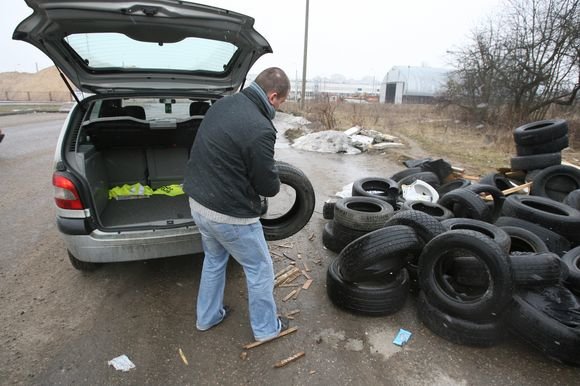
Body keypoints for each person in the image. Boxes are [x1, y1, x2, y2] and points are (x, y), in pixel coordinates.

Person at [183, 67, 291, 342]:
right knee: (260, 269)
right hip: (229, 216)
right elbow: (268, 186)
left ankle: (207, 318)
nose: (279, 107)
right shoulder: (260, 128)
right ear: (273, 96)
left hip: (198, 204)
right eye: (280, 102)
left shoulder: (222, 104)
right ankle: (267, 330)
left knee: (215, 260)